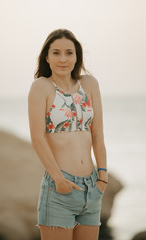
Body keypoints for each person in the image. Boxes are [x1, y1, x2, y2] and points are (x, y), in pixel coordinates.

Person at [28, 28, 108, 240]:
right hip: (59, 189)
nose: (63, 59)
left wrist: (103, 177)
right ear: (46, 56)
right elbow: (37, 139)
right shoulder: (41, 87)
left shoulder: (90, 84)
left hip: (91, 188)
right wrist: (58, 179)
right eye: (56, 53)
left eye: (69, 53)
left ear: (77, 56)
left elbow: (98, 135)